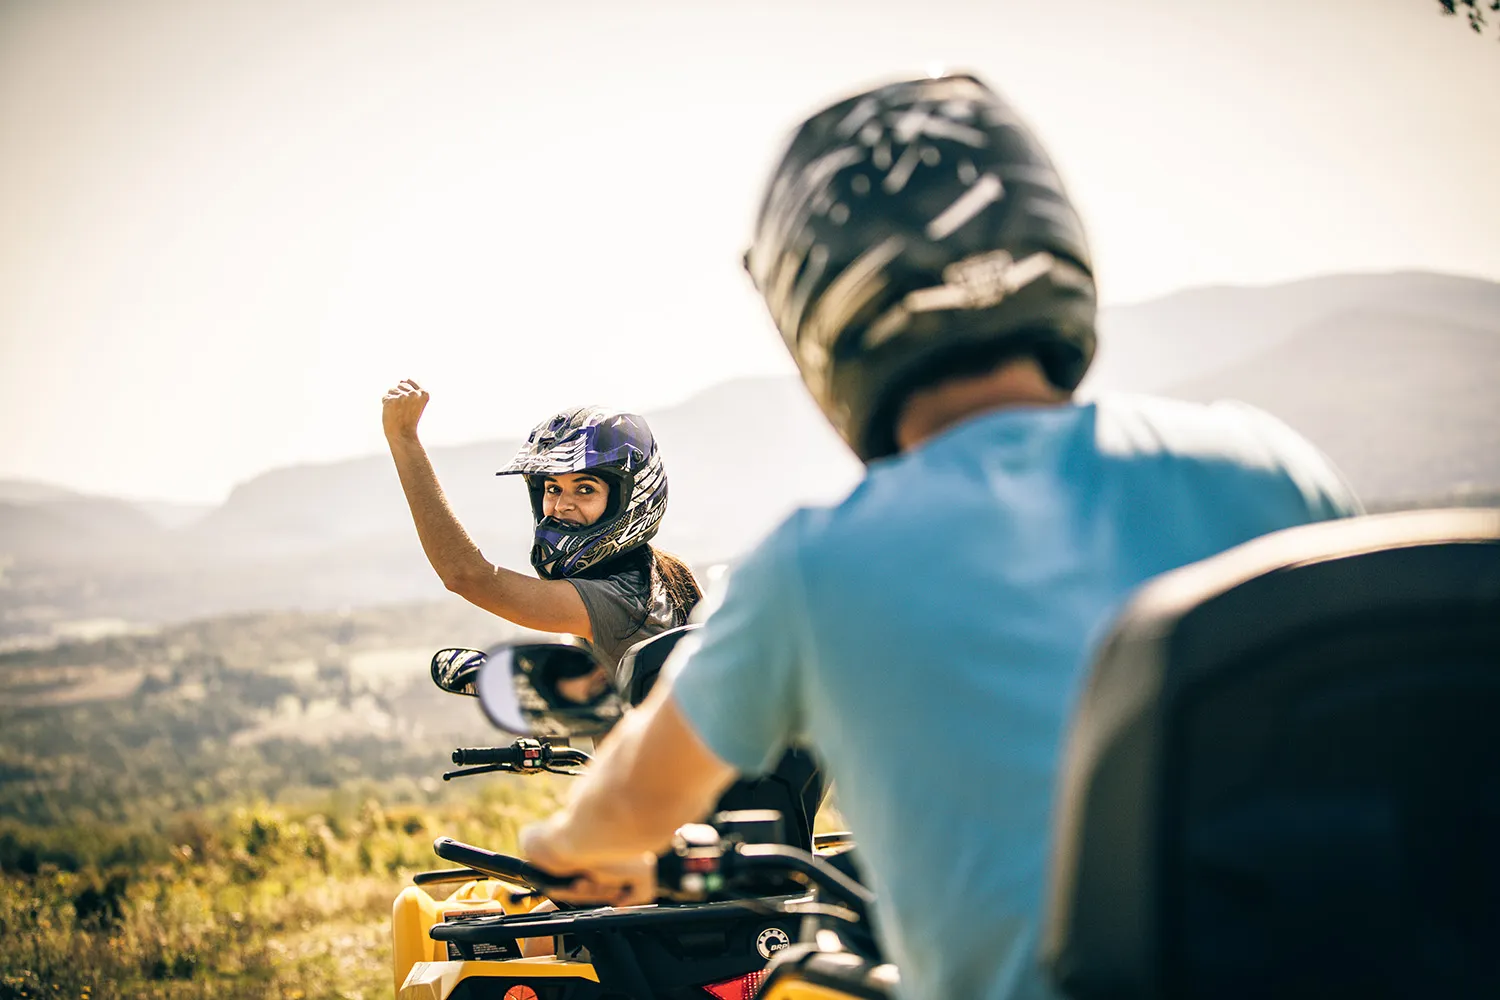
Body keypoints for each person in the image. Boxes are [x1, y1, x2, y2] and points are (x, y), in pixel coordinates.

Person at [515, 72, 1363, 1000]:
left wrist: (561, 848)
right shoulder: (1268, 466)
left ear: (819, 306)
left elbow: (635, 806)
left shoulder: (815, 567)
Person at [381, 388, 701, 671]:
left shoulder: (617, 601)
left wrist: (404, 439)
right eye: (552, 488)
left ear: (630, 498)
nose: (562, 505)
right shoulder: (660, 573)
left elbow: (466, 575)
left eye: (585, 489)